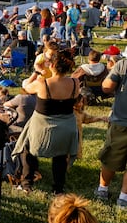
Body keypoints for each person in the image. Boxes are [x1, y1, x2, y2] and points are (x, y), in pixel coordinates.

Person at [12, 49, 78, 194]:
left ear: (52, 66)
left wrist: (37, 72)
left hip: (43, 127)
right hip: (66, 128)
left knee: (26, 149)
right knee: (60, 156)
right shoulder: (75, 82)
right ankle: (58, 189)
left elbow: (25, 87)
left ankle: (26, 183)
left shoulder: (42, 83)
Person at [95, 53, 127, 209]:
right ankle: (124, 197)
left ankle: (103, 189)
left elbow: (106, 87)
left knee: (111, 157)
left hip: (122, 120)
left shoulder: (123, 65)